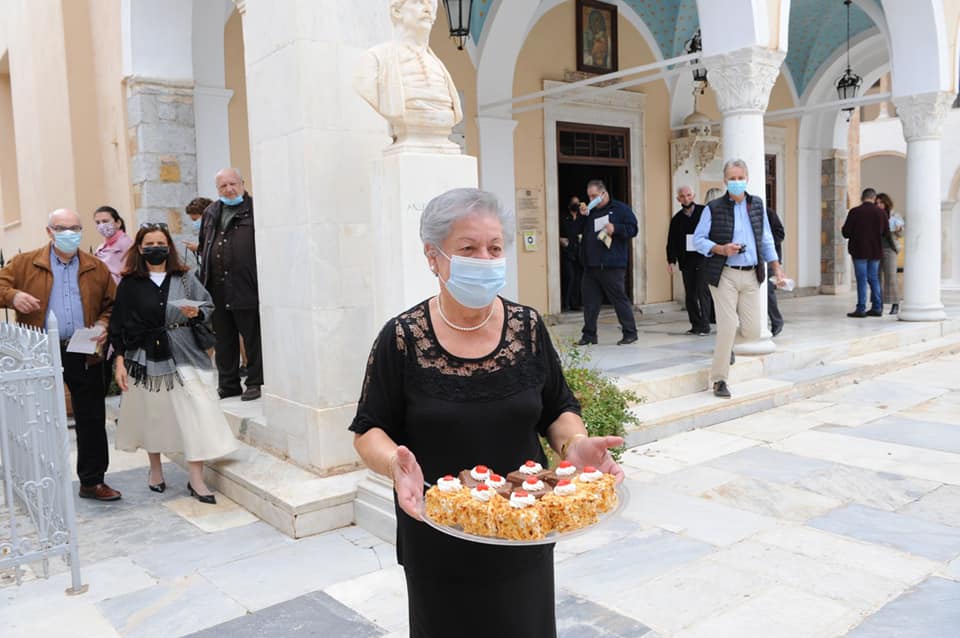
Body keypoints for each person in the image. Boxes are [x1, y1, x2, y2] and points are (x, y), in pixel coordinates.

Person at [349, 187, 624, 637]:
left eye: (494, 248)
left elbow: (558, 408)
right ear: (433, 257)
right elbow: (368, 429)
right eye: (468, 248)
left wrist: (574, 443)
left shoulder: (527, 328)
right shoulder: (401, 339)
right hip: (439, 536)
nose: (485, 259)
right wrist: (393, 464)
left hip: (523, 531)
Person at [110, 223, 238, 503]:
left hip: (185, 351)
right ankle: (155, 470)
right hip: (144, 355)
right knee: (153, 415)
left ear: (169, 246)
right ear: (140, 249)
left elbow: (207, 305)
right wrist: (119, 362)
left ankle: (196, 479)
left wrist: (196, 313)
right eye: (149, 244)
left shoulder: (185, 277)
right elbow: (118, 324)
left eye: (160, 243)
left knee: (196, 413)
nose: (155, 248)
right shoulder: (130, 283)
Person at [0, 209, 121, 501]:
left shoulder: (95, 266)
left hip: (83, 349)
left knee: (91, 418)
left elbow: (113, 304)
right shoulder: (25, 263)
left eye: (75, 228)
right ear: (49, 231)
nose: (70, 233)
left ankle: (92, 481)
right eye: (62, 228)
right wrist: (13, 296)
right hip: (40, 350)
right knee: (37, 417)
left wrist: (103, 324)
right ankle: (38, 482)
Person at [693, 159, 786, 399]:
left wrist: (777, 268)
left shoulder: (757, 205)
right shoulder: (713, 208)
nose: (736, 182)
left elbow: (766, 239)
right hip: (724, 273)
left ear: (747, 178)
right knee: (727, 325)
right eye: (732, 178)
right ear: (725, 181)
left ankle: (725, 347)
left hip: (752, 274)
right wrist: (721, 249)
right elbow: (698, 240)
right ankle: (719, 379)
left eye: (740, 178)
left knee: (753, 331)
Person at [197, 168, 263, 401]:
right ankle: (228, 384)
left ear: (242, 184)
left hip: (246, 284)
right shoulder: (211, 212)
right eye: (223, 186)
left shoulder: (255, 208)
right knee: (223, 339)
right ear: (217, 189)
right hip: (217, 286)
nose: (229, 189)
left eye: (233, 184)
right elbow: (204, 243)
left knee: (252, 337)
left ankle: (255, 382)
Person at [577, 179, 639, 345]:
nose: (591, 199)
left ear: (603, 193)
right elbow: (578, 230)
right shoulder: (590, 212)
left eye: (594, 196)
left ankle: (630, 333)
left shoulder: (620, 209)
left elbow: (633, 229)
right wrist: (582, 216)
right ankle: (589, 335)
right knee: (590, 302)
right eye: (589, 196)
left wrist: (616, 228)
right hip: (591, 265)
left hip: (612, 265)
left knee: (619, 299)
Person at [667, 185, 711, 335]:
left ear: (693, 196)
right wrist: (671, 261)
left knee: (702, 291)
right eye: (682, 196)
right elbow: (671, 242)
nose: (686, 198)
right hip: (686, 260)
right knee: (690, 294)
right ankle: (695, 325)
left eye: (688, 195)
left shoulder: (704, 212)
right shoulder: (676, 219)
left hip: (703, 258)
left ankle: (705, 325)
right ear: (678, 199)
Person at [841, 188, 886, 318]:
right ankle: (877, 307)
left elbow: (846, 233)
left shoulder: (855, 212)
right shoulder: (881, 213)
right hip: (875, 250)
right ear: (874, 198)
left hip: (859, 250)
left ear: (862, 197)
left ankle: (861, 308)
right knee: (874, 278)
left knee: (861, 279)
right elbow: (885, 232)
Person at [93, 206, 135, 284]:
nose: (101, 225)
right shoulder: (101, 246)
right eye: (98, 223)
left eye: (105, 221)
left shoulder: (126, 244)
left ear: (118, 223)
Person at [876, 192, 902, 315]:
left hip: (890, 249)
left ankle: (895, 303)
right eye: (877, 203)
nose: (879, 205)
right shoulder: (874, 215)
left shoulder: (894, 215)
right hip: (875, 249)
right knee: (876, 278)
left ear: (886, 203)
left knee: (891, 277)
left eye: (881, 202)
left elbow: (900, 233)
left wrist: (898, 229)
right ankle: (878, 304)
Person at [559, 195, 583, 311]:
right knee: (570, 277)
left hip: (578, 252)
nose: (576, 205)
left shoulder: (581, 218)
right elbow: (557, 232)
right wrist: (560, 239)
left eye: (578, 203)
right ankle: (566, 303)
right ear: (569, 205)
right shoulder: (563, 217)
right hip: (567, 252)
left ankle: (575, 304)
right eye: (574, 203)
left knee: (578, 278)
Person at [767, 207, 786, 336]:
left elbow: (780, 234)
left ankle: (777, 321)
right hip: (753, 259)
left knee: (768, 290)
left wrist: (765, 243)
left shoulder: (769, 213)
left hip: (769, 258)